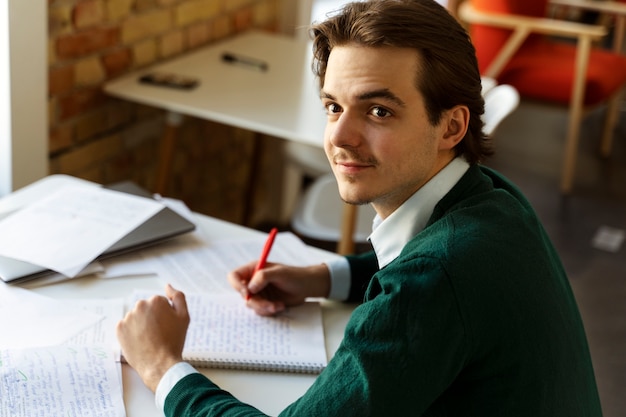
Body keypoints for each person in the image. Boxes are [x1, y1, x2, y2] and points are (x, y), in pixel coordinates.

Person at [116, 0, 603, 415]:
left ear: (451, 127)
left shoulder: (432, 281)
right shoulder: (492, 197)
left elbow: (430, 276)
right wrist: (323, 278)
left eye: (379, 111)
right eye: (333, 106)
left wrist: (162, 366)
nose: (340, 138)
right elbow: (427, 259)